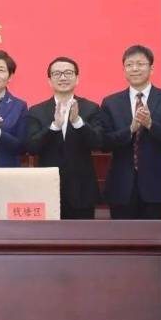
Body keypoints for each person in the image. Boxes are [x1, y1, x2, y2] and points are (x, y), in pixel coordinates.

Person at [101, 45, 161, 220]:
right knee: (122, 236)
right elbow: (104, 143)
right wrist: (130, 129)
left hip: (157, 186)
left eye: (140, 64)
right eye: (129, 64)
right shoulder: (111, 102)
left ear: (151, 68)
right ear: (124, 70)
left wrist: (151, 125)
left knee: (154, 237)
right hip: (121, 186)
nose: (135, 68)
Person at [26, 57, 103, 219]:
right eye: (57, 74)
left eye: (68, 73)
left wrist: (78, 122)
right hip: (47, 188)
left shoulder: (91, 108)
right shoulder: (36, 111)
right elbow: (32, 147)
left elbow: (98, 143)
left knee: (82, 234)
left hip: (82, 191)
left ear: (77, 78)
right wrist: (54, 126)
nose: (63, 77)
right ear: (49, 81)